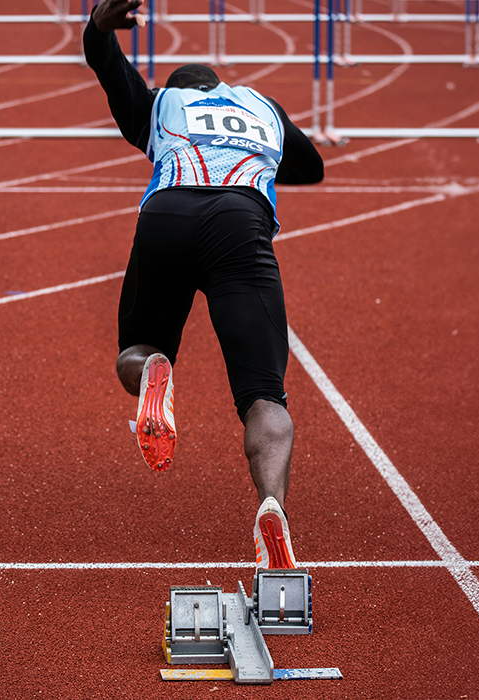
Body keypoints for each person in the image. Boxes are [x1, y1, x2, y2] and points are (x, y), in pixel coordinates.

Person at [84, 0, 324, 569]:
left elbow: (105, 62)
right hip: (240, 226)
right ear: (223, 86)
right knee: (265, 396)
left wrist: (100, 20)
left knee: (136, 349)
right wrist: (261, 153)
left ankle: (150, 372)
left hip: (166, 216)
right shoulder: (264, 109)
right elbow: (311, 167)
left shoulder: (159, 107)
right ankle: (272, 507)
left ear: (179, 92)